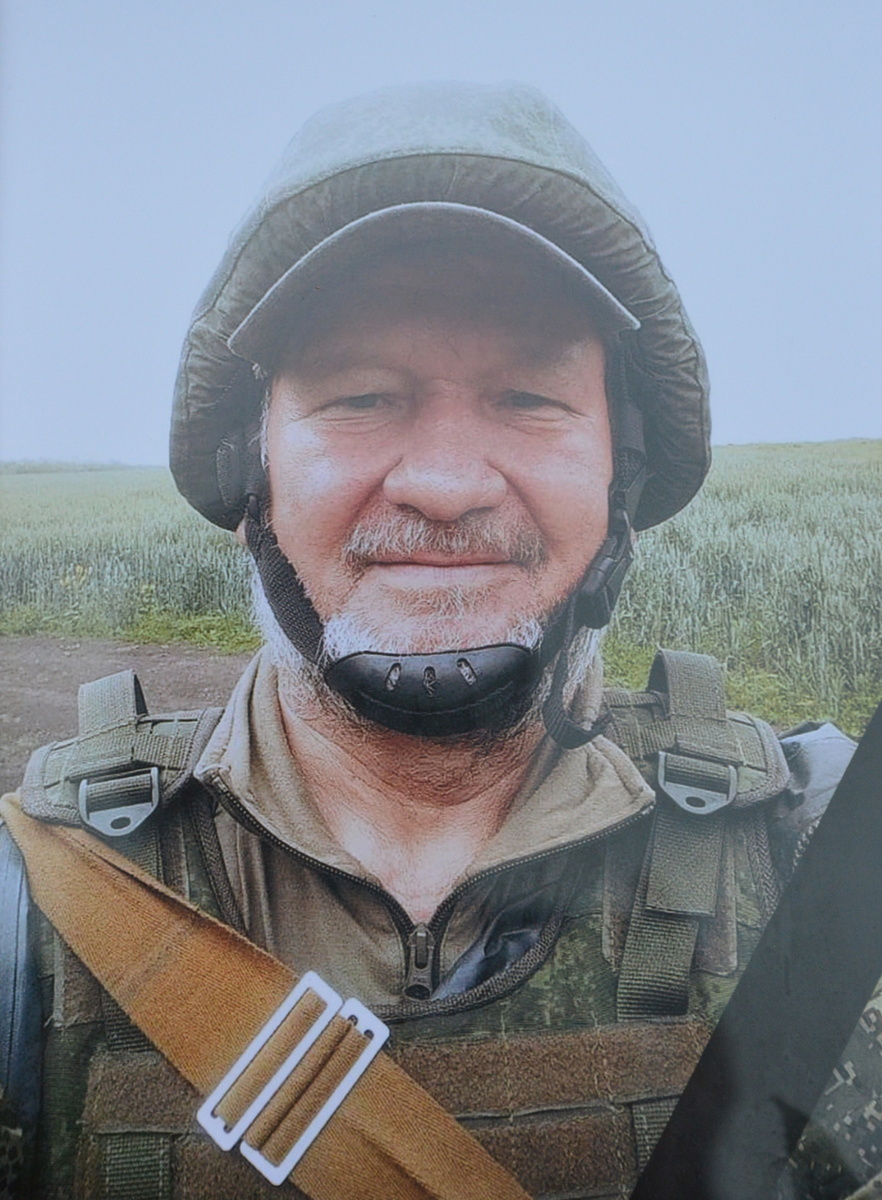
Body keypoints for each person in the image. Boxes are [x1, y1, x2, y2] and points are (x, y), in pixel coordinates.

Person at [0, 82, 873, 1200]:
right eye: (361, 396)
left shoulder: (821, 857)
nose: (447, 484)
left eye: (530, 396)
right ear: (248, 473)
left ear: (624, 474)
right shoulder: (31, 914)